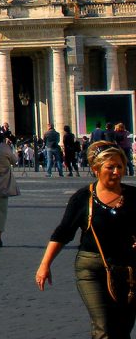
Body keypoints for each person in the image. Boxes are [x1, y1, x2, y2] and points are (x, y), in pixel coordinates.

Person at [37, 141, 136, 339]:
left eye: (120, 166)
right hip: (92, 268)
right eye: (110, 167)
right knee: (104, 327)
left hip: (128, 269)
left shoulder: (133, 196)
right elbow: (63, 233)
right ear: (96, 169)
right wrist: (45, 265)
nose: (117, 171)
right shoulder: (83, 198)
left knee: (122, 327)